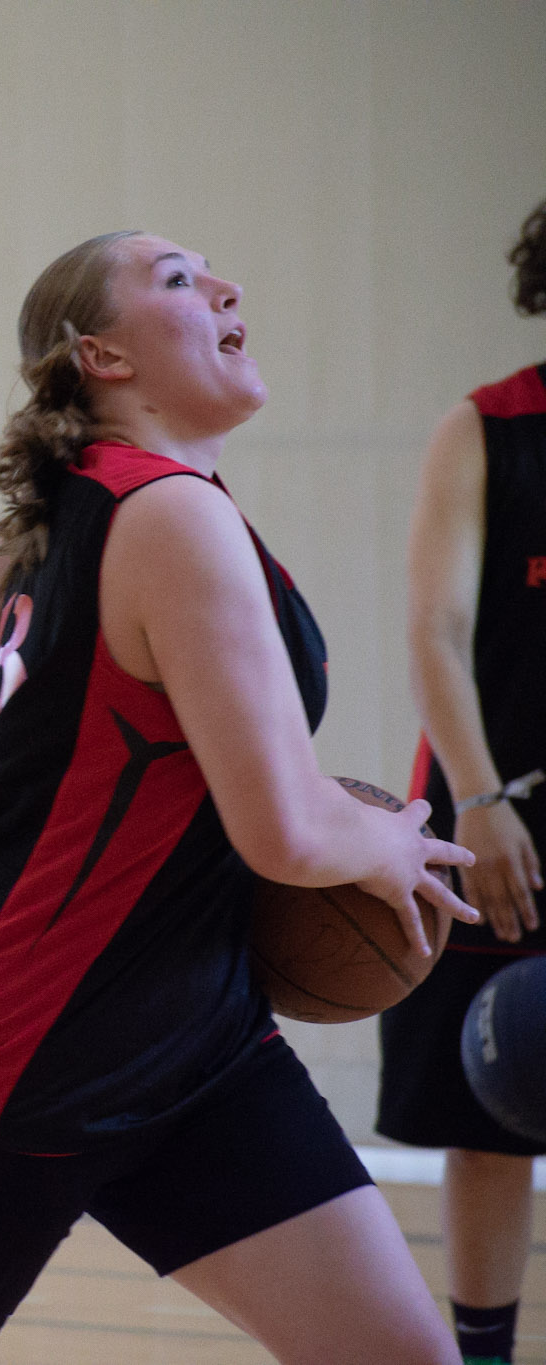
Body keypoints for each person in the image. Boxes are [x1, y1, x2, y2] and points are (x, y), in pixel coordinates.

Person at [0, 230, 479, 1364]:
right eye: (174, 277)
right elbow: (289, 830)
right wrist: (384, 844)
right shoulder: (162, 517)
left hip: (195, 1043)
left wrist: (115, 828)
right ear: (100, 355)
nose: (224, 284)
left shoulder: (98, 509)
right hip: (17, 1057)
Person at [377, 195, 546, 1365]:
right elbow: (435, 631)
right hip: (501, 816)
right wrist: (480, 804)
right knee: (491, 1114)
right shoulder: (487, 429)